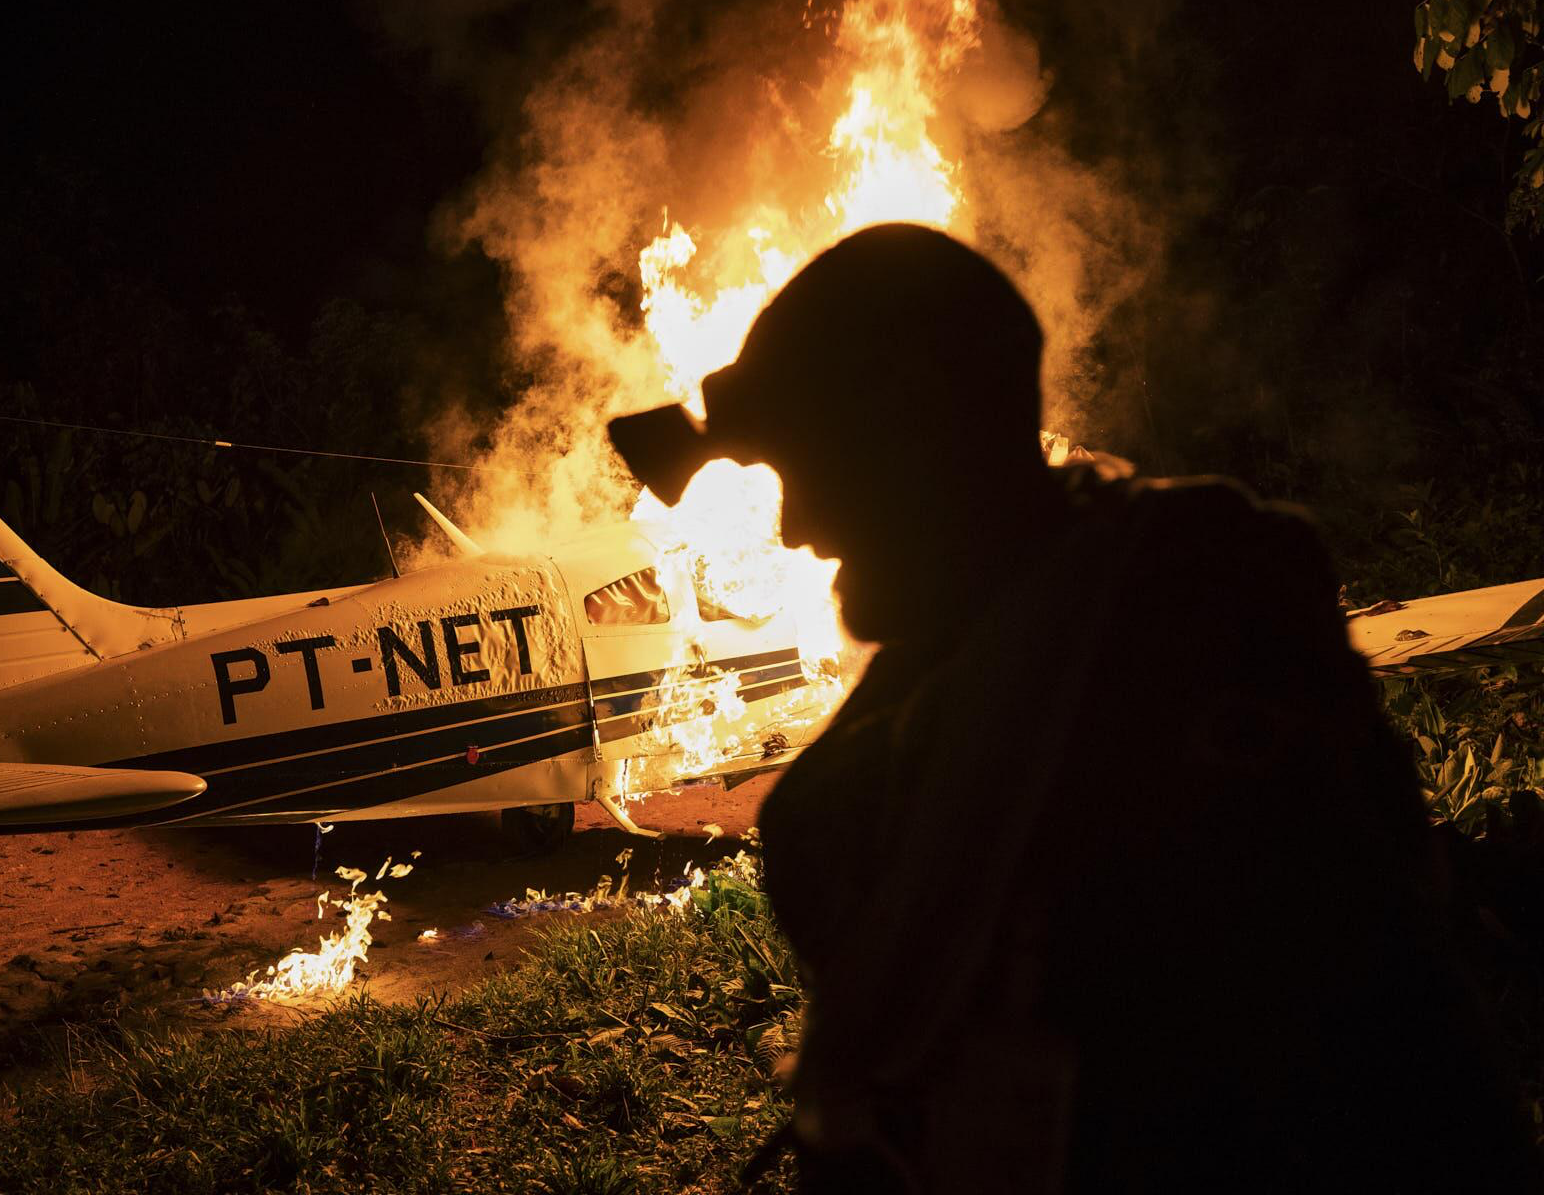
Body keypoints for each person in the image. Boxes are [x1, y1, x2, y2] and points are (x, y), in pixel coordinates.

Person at [608, 224, 1535, 1193]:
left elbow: (1379, 1042)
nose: (795, 529)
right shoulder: (1090, 616)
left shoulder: (1190, 625)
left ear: (914, 438)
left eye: (806, 471)